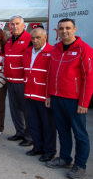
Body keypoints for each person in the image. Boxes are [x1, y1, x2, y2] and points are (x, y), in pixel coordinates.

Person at [45, 18, 93, 179]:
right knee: (63, 131)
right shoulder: (55, 49)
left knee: (79, 134)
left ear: (74, 29)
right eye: (61, 29)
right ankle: (65, 158)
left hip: (74, 100)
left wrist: (84, 102)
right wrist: (49, 95)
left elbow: (88, 78)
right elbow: (50, 74)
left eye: (67, 28)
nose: (64, 31)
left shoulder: (84, 49)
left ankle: (80, 165)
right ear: (57, 31)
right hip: (57, 97)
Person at [22, 28, 56, 162]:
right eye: (33, 38)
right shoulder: (28, 51)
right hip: (30, 93)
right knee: (34, 124)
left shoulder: (52, 52)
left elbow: (53, 76)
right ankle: (38, 147)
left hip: (44, 96)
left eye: (38, 38)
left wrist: (50, 95)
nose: (35, 41)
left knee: (48, 125)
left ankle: (49, 151)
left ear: (45, 37)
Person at [4, 15, 33, 146]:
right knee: (14, 109)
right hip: (11, 80)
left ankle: (29, 136)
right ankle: (19, 132)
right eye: (13, 24)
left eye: (17, 24)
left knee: (27, 110)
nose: (15, 26)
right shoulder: (9, 40)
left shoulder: (29, 39)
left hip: (23, 81)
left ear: (23, 25)